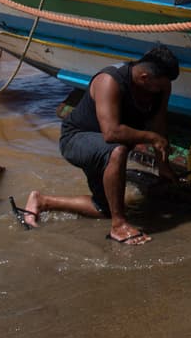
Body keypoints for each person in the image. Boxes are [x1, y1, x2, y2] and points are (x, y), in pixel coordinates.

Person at [19, 45, 179, 245]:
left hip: (105, 148)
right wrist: (152, 138)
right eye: (157, 86)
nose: (160, 90)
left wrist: (163, 165)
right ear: (144, 78)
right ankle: (118, 226)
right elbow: (112, 133)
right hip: (77, 139)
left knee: (103, 208)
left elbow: (159, 123)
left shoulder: (162, 85)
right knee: (118, 150)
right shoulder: (109, 81)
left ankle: (42, 201)